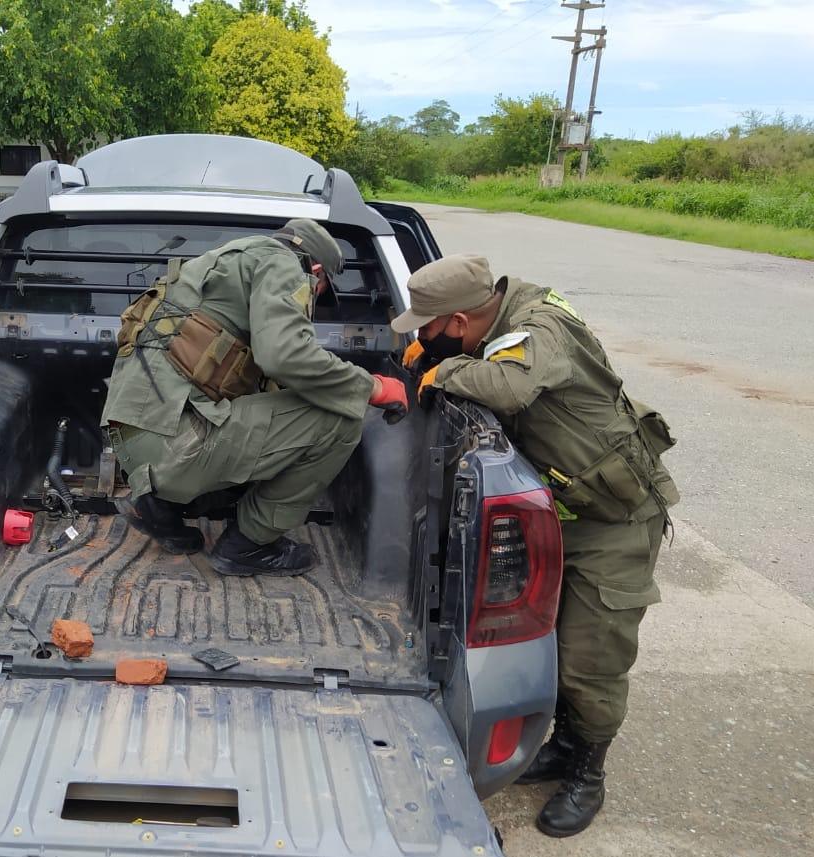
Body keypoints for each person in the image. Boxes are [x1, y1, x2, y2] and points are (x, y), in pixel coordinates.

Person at [392, 254, 678, 838]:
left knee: (590, 661)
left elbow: (511, 385)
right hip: (566, 508)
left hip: (614, 519)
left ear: (463, 319)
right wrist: (442, 356)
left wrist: (442, 374)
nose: (421, 335)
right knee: (551, 647)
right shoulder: (497, 322)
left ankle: (587, 772)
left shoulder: (536, 329)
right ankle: (562, 745)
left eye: (428, 326)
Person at [102, 219, 408, 577]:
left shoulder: (224, 263)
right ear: (316, 271)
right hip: (174, 447)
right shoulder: (283, 263)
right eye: (320, 290)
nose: (314, 298)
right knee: (338, 418)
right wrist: (370, 386)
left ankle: (158, 505)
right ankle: (248, 545)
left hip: (132, 443)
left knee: (272, 404)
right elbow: (284, 355)